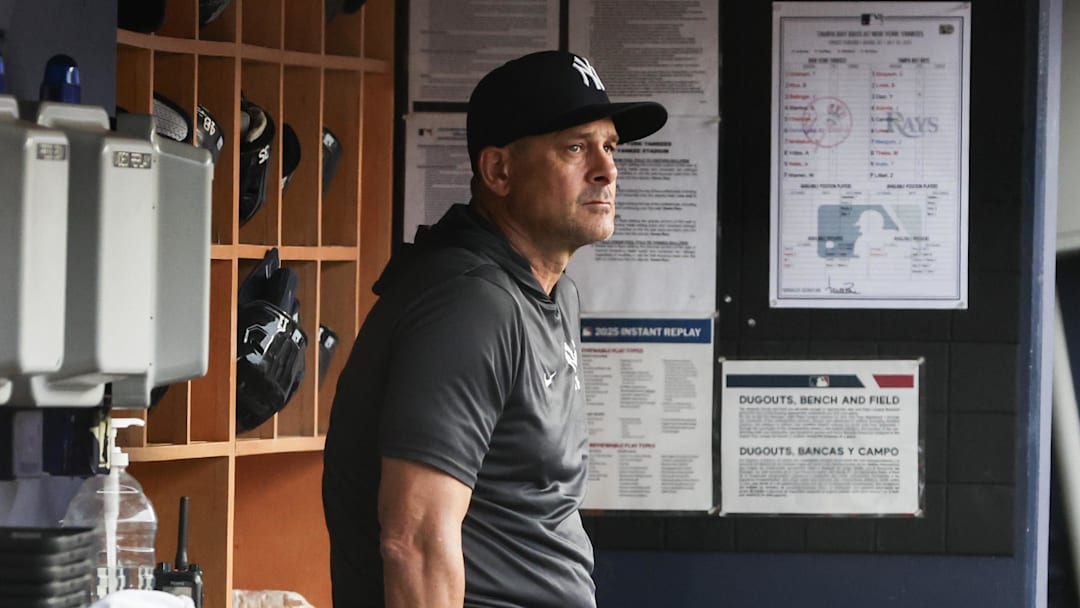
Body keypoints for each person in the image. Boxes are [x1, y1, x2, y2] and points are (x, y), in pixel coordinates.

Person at [322, 50, 667, 608]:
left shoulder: (551, 294)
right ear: (498, 171)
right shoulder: (471, 303)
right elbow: (414, 540)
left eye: (610, 147)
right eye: (576, 147)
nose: (606, 169)